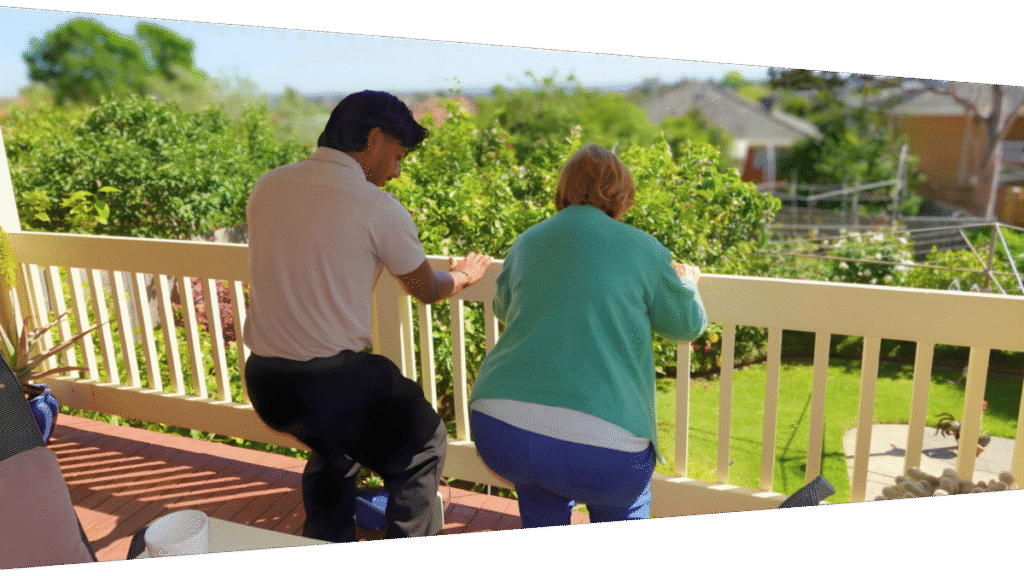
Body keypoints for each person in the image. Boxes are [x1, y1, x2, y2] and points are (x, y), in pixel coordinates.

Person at [241, 90, 494, 543]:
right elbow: (426, 289)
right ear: (374, 139)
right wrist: (463, 276)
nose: (396, 172)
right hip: (329, 382)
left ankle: (326, 539)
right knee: (425, 443)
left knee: (335, 444)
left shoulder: (269, 185)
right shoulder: (376, 206)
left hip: (266, 382)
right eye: (397, 157)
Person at [468, 143, 707, 528]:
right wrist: (689, 285)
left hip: (501, 425)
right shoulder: (643, 248)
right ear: (623, 194)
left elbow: (502, 307)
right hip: (605, 446)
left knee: (541, 499)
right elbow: (685, 324)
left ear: (563, 189)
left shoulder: (527, 241)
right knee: (623, 512)